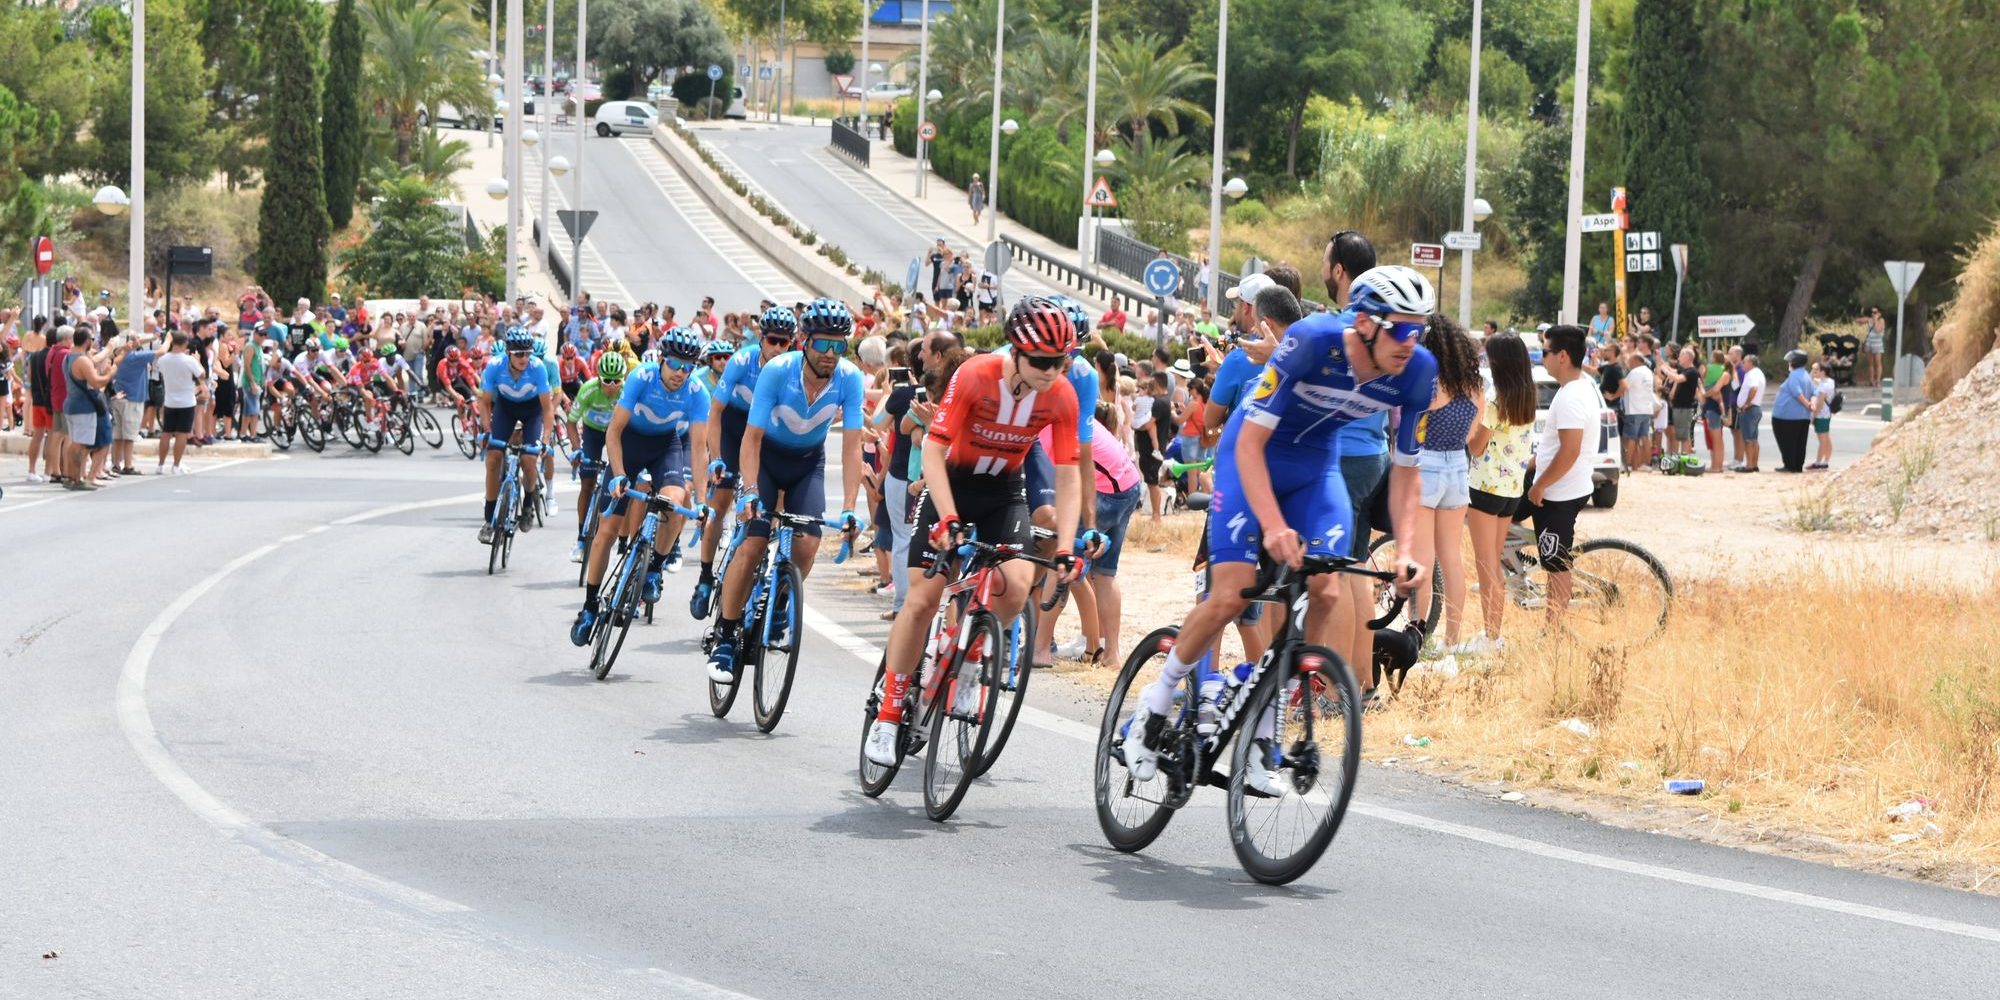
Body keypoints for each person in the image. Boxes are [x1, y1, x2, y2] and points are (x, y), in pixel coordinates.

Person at [1119, 267, 1435, 789]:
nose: (1411, 343)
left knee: (1326, 590)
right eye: (1401, 330)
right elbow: (1245, 445)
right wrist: (1270, 525)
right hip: (1255, 456)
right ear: (1364, 323)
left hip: (1318, 470)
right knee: (1229, 596)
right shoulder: (1311, 343)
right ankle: (1155, 707)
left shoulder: (1418, 371)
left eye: (1418, 330)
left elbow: (1406, 472)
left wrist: (1405, 548)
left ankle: (1266, 726)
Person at [864, 297, 1086, 767]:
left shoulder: (1061, 395)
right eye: (1043, 362)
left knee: (1017, 583)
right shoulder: (975, 374)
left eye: (1061, 361)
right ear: (1016, 351)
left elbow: (1068, 475)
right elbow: (933, 452)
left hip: (1004, 492)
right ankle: (887, 715)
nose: (1052, 371)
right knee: (923, 601)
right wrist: (946, 518)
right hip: (952, 484)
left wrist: (1066, 543)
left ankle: (966, 665)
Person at [705, 300, 868, 683]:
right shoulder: (778, 371)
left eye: (839, 346)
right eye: (823, 345)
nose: (831, 354)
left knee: (808, 544)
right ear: (804, 341)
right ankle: (726, 636)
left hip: (807, 463)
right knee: (755, 541)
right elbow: (752, 437)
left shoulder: (850, 378)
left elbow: (852, 445)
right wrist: (747, 491)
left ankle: (778, 602)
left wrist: (848, 507)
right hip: (766, 460)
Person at [569, 328, 711, 645]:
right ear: (661, 359)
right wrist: (619, 474)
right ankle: (590, 606)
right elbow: (614, 432)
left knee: (677, 500)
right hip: (629, 444)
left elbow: (699, 449)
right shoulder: (641, 378)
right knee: (607, 529)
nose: (681, 373)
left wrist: (701, 501)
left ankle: (654, 568)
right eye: (675, 364)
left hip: (665, 446)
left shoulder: (698, 391)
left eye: (688, 367)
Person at [692, 306, 798, 618]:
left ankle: (761, 559)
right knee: (720, 501)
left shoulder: (793, 367)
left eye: (785, 342)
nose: (779, 348)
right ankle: (705, 576)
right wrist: (717, 459)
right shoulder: (742, 360)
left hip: (766, 432)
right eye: (773, 341)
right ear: (762, 339)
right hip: (735, 426)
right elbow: (715, 413)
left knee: (776, 502)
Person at [1410, 314, 1484, 649]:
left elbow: (1413, 426)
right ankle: (1452, 642)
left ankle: (1418, 635)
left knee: (1422, 559)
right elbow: (1472, 435)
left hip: (1425, 465)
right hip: (1458, 466)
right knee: (1452, 558)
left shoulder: (1431, 382)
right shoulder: (1475, 387)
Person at [1462, 332, 1536, 655]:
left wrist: (1470, 422)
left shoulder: (1495, 402)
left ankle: (1490, 637)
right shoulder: (1527, 399)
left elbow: (1476, 447)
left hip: (1484, 489)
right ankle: (1495, 636)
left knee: (1485, 565)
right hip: (1511, 490)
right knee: (1496, 563)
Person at [1524, 326, 1596, 627]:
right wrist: (1531, 465)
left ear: (1562, 356)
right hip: (1562, 486)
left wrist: (1541, 484)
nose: (1542, 359)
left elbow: (1569, 451)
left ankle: (1553, 632)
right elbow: (1556, 446)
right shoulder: (1580, 386)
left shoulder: (1570, 398)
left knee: (1557, 564)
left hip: (1559, 493)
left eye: (1545, 352)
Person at [477, 325, 558, 542]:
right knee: (493, 459)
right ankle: (489, 519)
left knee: (528, 460)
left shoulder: (537, 367)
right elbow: (484, 402)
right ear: (508, 354)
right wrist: (486, 431)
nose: (524, 358)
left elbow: (547, 408)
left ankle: (529, 504)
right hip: (506, 407)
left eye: (528, 353)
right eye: (519, 354)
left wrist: (545, 440)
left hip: (533, 410)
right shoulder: (494, 366)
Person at [154, 331, 207, 476]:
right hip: (186, 400)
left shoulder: (163, 359)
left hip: (170, 400)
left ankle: (160, 464)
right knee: (182, 434)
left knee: (166, 432)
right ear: (185, 344)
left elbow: (157, 370)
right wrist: (197, 360)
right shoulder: (189, 360)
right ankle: (176, 465)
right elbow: (202, 374)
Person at [1770, 349, 1815, 473]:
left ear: (1793, 362)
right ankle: (1797, 466)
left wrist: (1808, 405)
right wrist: (1811, 404)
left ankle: (1790, 465)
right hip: (1802, 417)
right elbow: (1814, 392)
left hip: (1787, 417)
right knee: (1800, 443)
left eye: (1789, 361)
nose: (1788, 364)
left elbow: (1797, 393)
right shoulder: (1806, 375)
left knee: (1786, 441)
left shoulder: (1794, 376)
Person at [1618, 349, 1654, 471]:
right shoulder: (1648, 372)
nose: (1628, 362)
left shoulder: (1635, 372)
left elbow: (1625, 385)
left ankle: (1626, 464)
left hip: (1634, 409)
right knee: (1644, 436)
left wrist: (1614, 395)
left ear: (1635, 360)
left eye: (1630, 360)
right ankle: (1646, 464)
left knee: (1631, 437)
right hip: (1646, 409)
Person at [1700, 348, 1732, 473]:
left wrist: (1704, 394)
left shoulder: (1725, 374)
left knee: (1717, 439)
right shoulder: (1723, 373)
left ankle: (1717, 466)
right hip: (1713, 407)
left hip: (1714, 409)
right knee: (1716, 439)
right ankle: (1716, 465)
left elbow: (1715, 390)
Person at [1733, 353, 1766, 473]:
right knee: (1753, 438)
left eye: (1744, 362)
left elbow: (1754, 388)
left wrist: (1747, 404)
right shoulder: (1757, 373)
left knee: (1748, 439)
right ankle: (1754, 464)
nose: (1743, 364)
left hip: (1750, 410)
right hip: (1754, 408)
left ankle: (1750, 465)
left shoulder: (1752, 374)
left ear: (1751, 363)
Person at [1668, 347, 1699, 456]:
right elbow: (1673, 372)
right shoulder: (1684, 370)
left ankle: (1686, 457)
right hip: (1679, 407)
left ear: (1687, 357)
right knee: (1680, 434)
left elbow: (1677, 378)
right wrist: (1661, 363)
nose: (1679, 358)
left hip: (1685, 407)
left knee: (1684, 436)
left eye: (1681, 355)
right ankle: (1683, 456)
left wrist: (1666, 370)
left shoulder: (1692, 371)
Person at [1810, 361, 1837, 470]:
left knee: (1822, 440)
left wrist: (1813, 417)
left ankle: (1818, 462)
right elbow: (1811, 378)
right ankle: (1825, 460)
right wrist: (1814, 369)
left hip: (1821, 415)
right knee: (1826, 438)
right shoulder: (1829, 382)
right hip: (1827, 414)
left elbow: (1820, 404)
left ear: (1823, 372)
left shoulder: (1823, 386)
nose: (1815, 372)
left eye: (1818, 370)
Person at [1862, 307, 1885, 386]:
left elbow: (1877, 330)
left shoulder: (1881, 321)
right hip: (1869, 343)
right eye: (1872, 312)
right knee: (1870, 363)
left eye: (1875, 312)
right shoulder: (1869, 320)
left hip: (1877, 344)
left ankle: (1878, 380)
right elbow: (1859, 321)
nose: (1873, 314)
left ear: (1879, 313)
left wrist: (1875, 320)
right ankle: (1871, 380)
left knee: (1878, 363)